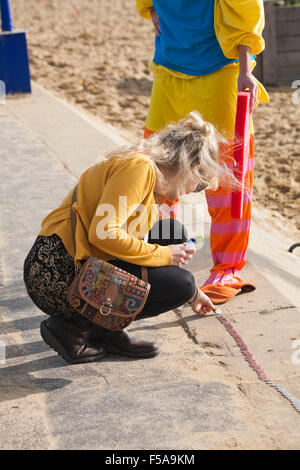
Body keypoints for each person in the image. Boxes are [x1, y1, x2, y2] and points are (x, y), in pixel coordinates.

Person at [23, 112, 237, 364]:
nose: (192, 192)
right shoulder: (140, 169)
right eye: (199, 184)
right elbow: (104, 233)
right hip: (56, 274)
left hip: (67, 261)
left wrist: (194, 294)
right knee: (181, 283)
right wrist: (166, 258)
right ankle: (74, 327)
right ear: (191, 167)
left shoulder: (147, 171)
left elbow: (127, 242)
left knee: (172, 235)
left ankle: (106, 329)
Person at [136, 0, 270, 304]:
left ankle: (227, 267)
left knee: (227, 177)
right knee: (156, 169)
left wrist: (246, 68)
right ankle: (160, 253)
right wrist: (151, 8)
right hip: (168, 68)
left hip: (219, 70)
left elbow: (245, 7)